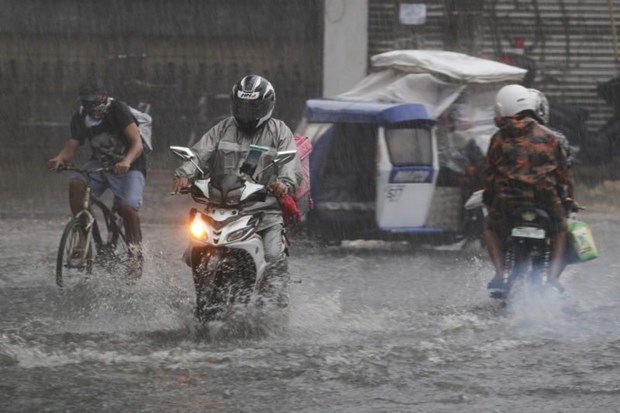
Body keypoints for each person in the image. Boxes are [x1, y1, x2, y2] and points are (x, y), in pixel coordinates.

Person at [172, 74, 303, 304]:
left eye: (254, 107)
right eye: (242, 106)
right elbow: (200, 153)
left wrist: (283, 184)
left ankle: (277, 301)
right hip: (220, 208)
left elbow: (291, 168)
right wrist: (185, 174)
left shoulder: (280, 131)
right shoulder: (222, 128)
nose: (248, 112)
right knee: (191, 249)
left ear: (268, 105)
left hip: (263, 211)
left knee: (273, 255)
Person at [48, 81, 146, 276]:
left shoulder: (117, 110)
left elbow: (137, 144)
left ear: (102, 96)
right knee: (77, 183)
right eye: (85, 101)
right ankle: (81, 234)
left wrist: (126, 161)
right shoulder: (81, 116)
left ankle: (135, 254)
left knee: (127, 208)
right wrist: (60, 158)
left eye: (92, 100)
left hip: (129, 166)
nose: (89, 105)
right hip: (100, 164)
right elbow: (72, 143)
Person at [483, 84, 574, 291]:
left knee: (489, 227)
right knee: (561, 230)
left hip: (508, 201)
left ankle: (499, 274)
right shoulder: (551, 137)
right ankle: (553, 279)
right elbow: (563, 175)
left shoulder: (498, 138)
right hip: (545, 200)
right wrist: (568, 200)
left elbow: (489, 174)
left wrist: (490, 197)